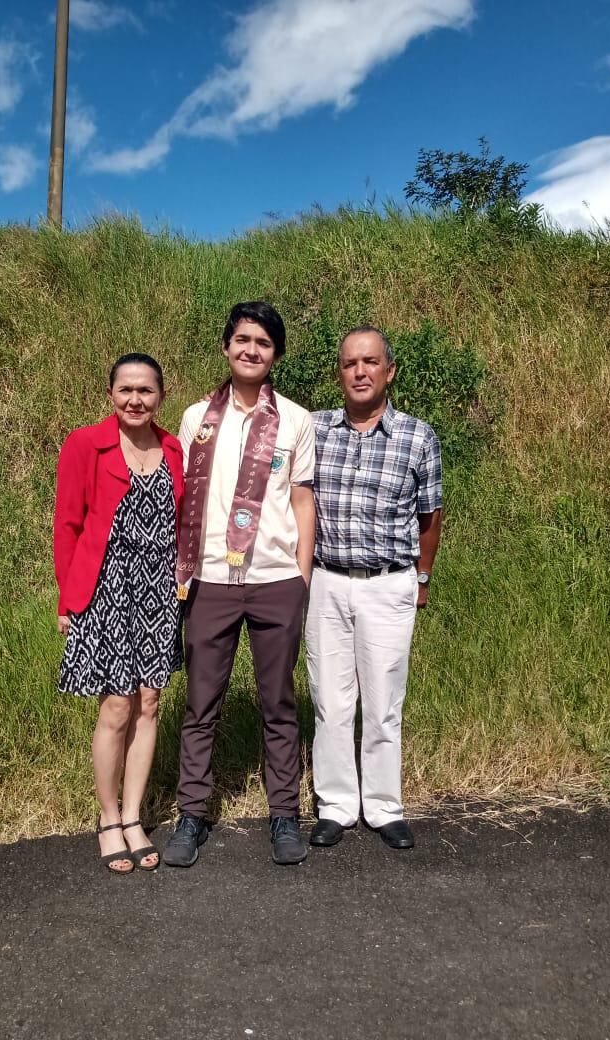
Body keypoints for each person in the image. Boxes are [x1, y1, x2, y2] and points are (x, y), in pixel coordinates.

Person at [163, 301, 316, 868]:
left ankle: (283, 815)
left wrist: (301, 577)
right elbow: (181, 500)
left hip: (275, 579)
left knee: (279, 702)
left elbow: (302, 500)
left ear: (275, 354)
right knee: (202, 703)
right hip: (208, 579)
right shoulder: (196, 417)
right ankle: (192, 815)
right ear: (227, 347)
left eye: (264, 342)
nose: (251, 349)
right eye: (242, 339)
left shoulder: (298, 420)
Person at [306, 326, 442, 851]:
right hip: (326, 582)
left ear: (389, 371)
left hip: (389, 584)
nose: (359, 372)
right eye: (348, 364)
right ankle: (336, 807)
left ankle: (385, 807)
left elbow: (430, 515)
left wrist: (422, 579)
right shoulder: (315, 429)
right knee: (330, 701)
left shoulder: (417, 436)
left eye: (369, 362)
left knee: (383, 702)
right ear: (339, 373)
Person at [54, 353, 184, 875]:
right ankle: (108, 819)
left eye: (146, 391)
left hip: (158, 591)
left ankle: (135, 816)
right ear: (111, 394)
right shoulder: (86, 443)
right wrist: (68, 600)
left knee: (149, 703)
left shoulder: (173, 448)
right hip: (105, 589)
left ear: (160, 397)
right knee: (116, 706)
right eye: (126, 389)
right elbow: (67, 525)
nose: (135, 399)